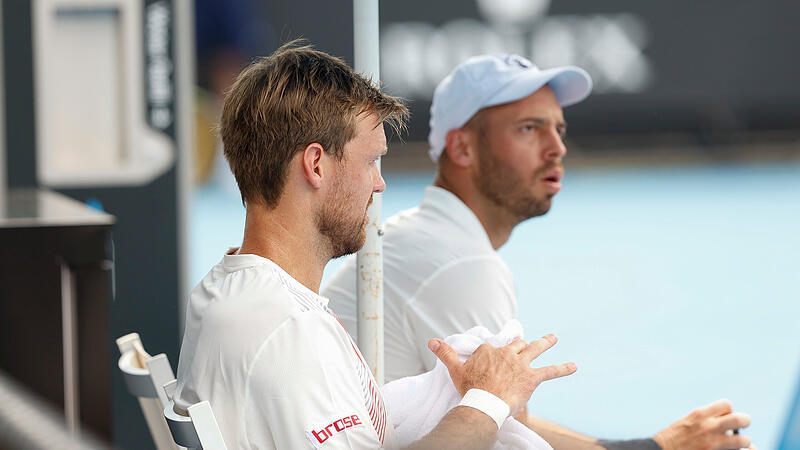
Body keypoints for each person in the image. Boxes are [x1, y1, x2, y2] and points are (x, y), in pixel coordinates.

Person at [322, 54, 754, 450]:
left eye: (558, 129)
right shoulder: (459, 263)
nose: (557, 147)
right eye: (530, 128)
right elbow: (507, 435)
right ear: (462, 147)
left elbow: (505, 418)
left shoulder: (427, 239)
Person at [173, 43, 579, 449]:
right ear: (316, 165)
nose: (379, 184)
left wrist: (446, 392)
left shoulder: (227, 294)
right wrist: (487, 401)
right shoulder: (287, 328)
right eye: (370, 162)